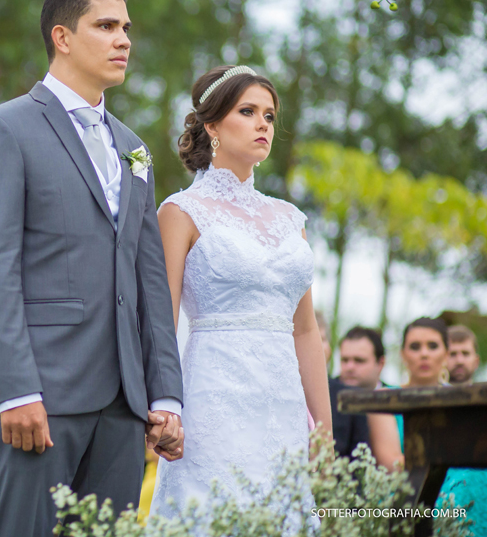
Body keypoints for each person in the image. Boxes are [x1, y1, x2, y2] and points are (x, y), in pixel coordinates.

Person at [0, 0, 184, 537]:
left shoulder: (134, 148)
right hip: (40, 396)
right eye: (106, 26)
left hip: (124, 406)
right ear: (61, 36)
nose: (123, 40)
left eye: (126, 28)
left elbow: (150, 283)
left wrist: (165, 393)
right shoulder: (2, 129)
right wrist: (16, 388)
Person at [148, 65, 332, 524]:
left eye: (269, 116)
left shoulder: (291, 219)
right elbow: (161, 322)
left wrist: (323, 427)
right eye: (247, 111)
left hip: (284, 405)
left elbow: (305, 330)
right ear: (211, 125)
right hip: (215, 397)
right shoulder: (179, 211)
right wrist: (162, 405)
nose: (262, 125)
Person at [368, 317, 486, 534]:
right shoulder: (384, 398)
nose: (424, 353)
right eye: (415, 347)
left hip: (460, 485)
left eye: (432, 346)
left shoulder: (464, 400)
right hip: (410, 488)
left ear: (446, 353)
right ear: (403, 354)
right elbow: (391, 463)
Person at [329, 326, 386, 458]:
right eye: (344, 360)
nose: (350, 367)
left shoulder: (395, 398)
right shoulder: (326, 398)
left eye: (359, 360)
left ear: (380, 363)